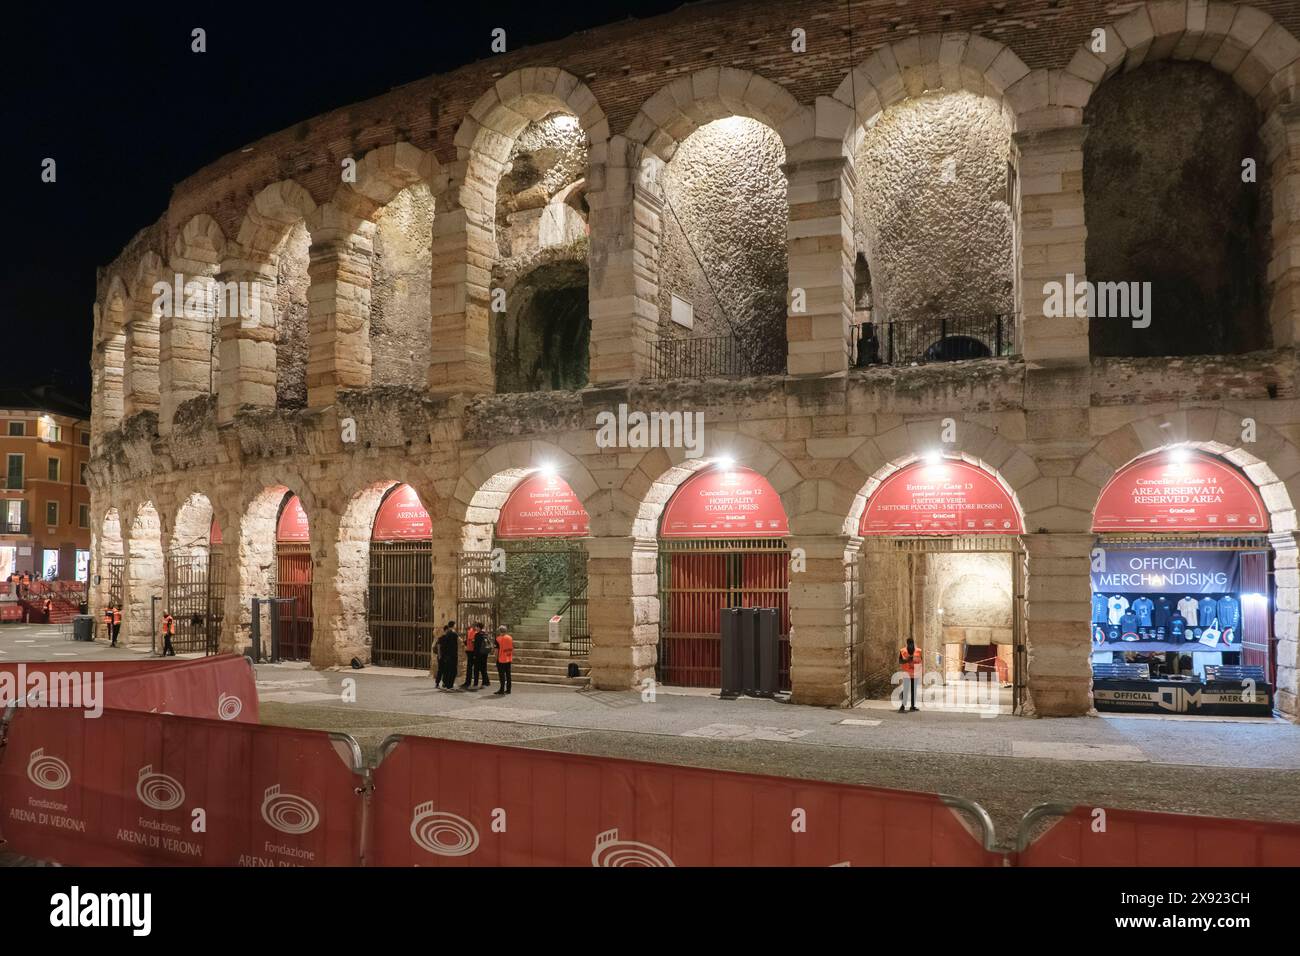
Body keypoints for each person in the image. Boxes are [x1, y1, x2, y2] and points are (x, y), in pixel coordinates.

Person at [898, 637, 921, 713]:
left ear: (913, 643)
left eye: (912, 643)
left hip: (915, 674)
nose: (911, 645)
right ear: (907, 644)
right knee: (906, 690)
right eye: (909, 643)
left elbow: (920, 660)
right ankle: (903, 706)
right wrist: (907, 660)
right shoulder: (903, 651)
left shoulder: (918, 651)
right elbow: (900, 661)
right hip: (907, 673)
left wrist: (914, 659)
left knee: (913, 690)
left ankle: (912, 706)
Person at [435, 620, 459, 689]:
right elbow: (439, 647)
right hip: (447, 656)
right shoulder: (451, 634)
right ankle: (445, 684)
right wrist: (440, 656)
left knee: (445, 670)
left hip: (445, 656)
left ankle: (444, 684)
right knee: (446, 670)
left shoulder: (445, 636)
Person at [492, 625, 514, 696]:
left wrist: (495, 659)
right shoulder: (510, 638)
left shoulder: (498, 639)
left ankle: (501, 689)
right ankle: (508, 689)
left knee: (502, 675)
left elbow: (496, 651)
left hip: (501, 659)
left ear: (500, 631)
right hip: (508, 658)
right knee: (508, 674)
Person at [460, 622, 481, 689]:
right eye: (475, 626)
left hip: (472, 651)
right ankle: (470, 682)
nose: (476, 627)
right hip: (471, 651)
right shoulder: (472, 632)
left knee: (473, 668)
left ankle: (472, 683)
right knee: (471, 668)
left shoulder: (474, 632)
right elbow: (470, 641)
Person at [474, 621, 492, 689]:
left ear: (479, 627)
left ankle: (476, 684)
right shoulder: (485, 634)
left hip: (478, 654)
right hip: (484, 653)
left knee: (476, 669)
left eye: (476, 626)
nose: (475, 628)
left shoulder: (477, 635)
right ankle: (485, 682)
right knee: (483, 668)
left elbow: (476, 646)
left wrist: (474, 654)